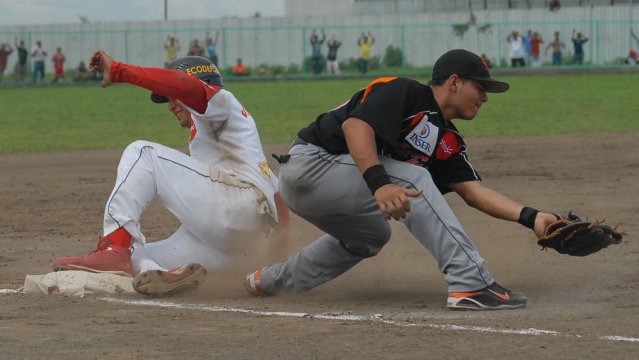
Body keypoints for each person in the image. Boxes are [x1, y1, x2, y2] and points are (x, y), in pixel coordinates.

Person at [245, 49, 559, 311]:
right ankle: (470, 283)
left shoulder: (446, 139)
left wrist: (533, 218)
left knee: (371, 236)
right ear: (454, 82)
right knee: (414, 179)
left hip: (328, 187)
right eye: (480, 87)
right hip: (312, 165)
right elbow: (356, 127)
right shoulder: (407, 92)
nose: (485, 97)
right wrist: (380, 183)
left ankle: (270, 280)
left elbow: (474, 193)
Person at [52, 50, 289, 296]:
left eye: (172, 97)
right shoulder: (237, 145)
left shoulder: (222, 101)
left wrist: (121, 71)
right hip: (239, 244)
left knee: (142, 153)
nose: (170, 106)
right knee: (136, 255)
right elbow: (280, 204)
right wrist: (277, 260)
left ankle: (113, 249)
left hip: (236, 209)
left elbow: (187, 86)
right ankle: (163, 275)